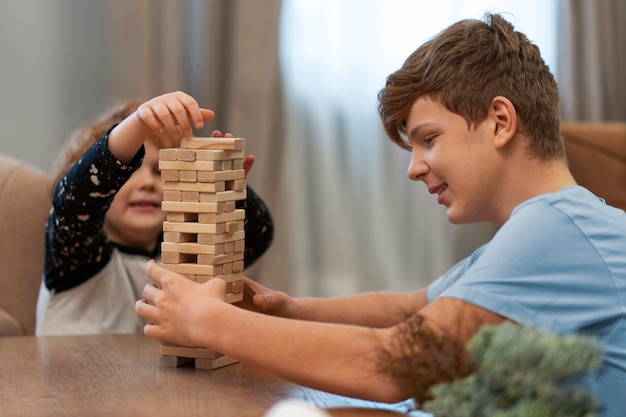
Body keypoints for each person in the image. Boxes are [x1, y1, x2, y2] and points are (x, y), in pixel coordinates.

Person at [135, 15, 626, 417]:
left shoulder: (555, 230)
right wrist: (288, 309)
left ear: (500, 122)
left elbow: (395, 366)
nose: (414, 169)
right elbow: (411, 307)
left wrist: (206, 321)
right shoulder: (554, 228)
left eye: (429, 139)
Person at [37, 91, 274, 335]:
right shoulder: (77, 255)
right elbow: (76, 199)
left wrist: (223, 189)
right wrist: (139, 123)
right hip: (74, 372)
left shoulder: (185, 255)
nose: (148, 183)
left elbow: (257, 234)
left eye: (161, 172)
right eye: (128, 172)